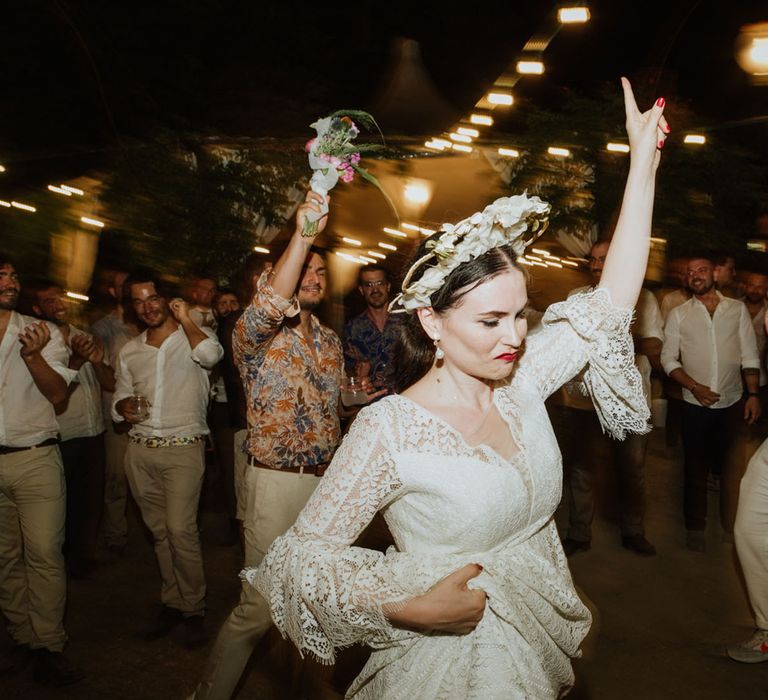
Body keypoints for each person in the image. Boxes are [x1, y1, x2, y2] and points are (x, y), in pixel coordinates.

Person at [242, 80, 668, 698]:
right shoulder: (389, 428)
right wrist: (406, 609)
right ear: (433, 323)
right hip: (448, 663)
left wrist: (643, 164)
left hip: (533, 634)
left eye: (521, 314)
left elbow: (611, 300)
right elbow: (301, 562)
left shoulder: (521, 384)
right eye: (490, 321)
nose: (514, 337)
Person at [192, 196, 384, 699]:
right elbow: (275, 300)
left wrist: (352, 399)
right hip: (275, 483)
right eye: (305, 269)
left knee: (318, 600)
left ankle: (308, 688)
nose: (315, 276)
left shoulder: (327, 339)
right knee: (258, 607)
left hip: (326, 484)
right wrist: (304, 234)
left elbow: (329, 407)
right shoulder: (252, 334)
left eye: (321, 270)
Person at [113, 270, 223, 647]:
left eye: (153, 297)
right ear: (133, 307)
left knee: (180, 529)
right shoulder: (130, 350)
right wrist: (121, 405)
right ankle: (172, 601)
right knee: (159, 532)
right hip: (141, 451)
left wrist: (186, 319)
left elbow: (211, 356)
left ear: (167, 299)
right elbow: (120, 397)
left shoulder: (193, 337)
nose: (148, 306)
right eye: (139, 301)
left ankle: (193, 607)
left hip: (184, 448)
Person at [0, 254, 83, 685]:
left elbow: (57, 396)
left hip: (35, 457)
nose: (10, 281)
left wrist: (33, 357)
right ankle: (23, 636)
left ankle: (50, 644)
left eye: (13, 274)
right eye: (1, 275)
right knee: (4, 557)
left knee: (46, 553)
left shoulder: (42, 332)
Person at [557, 239, 662, 557]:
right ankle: (579, 532)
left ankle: (633, 530)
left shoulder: (642, 298)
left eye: (604, 259)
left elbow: (655, 344)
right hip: (584, 400)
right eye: (593, 259)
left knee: (631, 469)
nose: (596, 265)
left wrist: (614, 339)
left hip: (628, 402)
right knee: (581, 468)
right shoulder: (577, 298)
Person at [661, 254, 761, 551]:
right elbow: (667, 358)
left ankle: (730, 525)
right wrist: (694, 386)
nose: (695, 275)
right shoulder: (679, 314)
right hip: (695, 404)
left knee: (730, 468)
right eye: (690, 272)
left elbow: (750, 355)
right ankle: (696, 526)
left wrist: (753, 394)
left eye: (702, 270)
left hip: (732, 402)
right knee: (695, 467)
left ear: (714, 275)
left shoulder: (737, 309)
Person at [32, 282, 114, 577]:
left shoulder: (84, 336)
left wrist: (97, 361)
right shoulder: (36, 341)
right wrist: (76, 359)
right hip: (61, 433)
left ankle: (85, 557)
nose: (57, 304)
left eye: (59, 298)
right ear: (37, 309)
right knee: (62, 502)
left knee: (92, 499)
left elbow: (109, 383)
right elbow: (54, 388)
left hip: (94, 431)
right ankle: (60, 559)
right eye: (48, 301)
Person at [90, 271, 139, 557]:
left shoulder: (146, 325)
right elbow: (106, 378)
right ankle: (115, 536)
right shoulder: (103, 329)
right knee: (116, 479)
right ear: (113, 291)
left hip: (147, 415)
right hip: (115, 415)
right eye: (123, 286)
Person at [344, 265, 403, 392]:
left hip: (407, 399)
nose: (375, 290)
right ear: (361, 290)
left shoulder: (406, 321)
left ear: (388, 286)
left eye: (379, 283)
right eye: (369, 285)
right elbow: (348, 370)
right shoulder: (353, 328)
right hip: (372, 404)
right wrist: (359, 377)